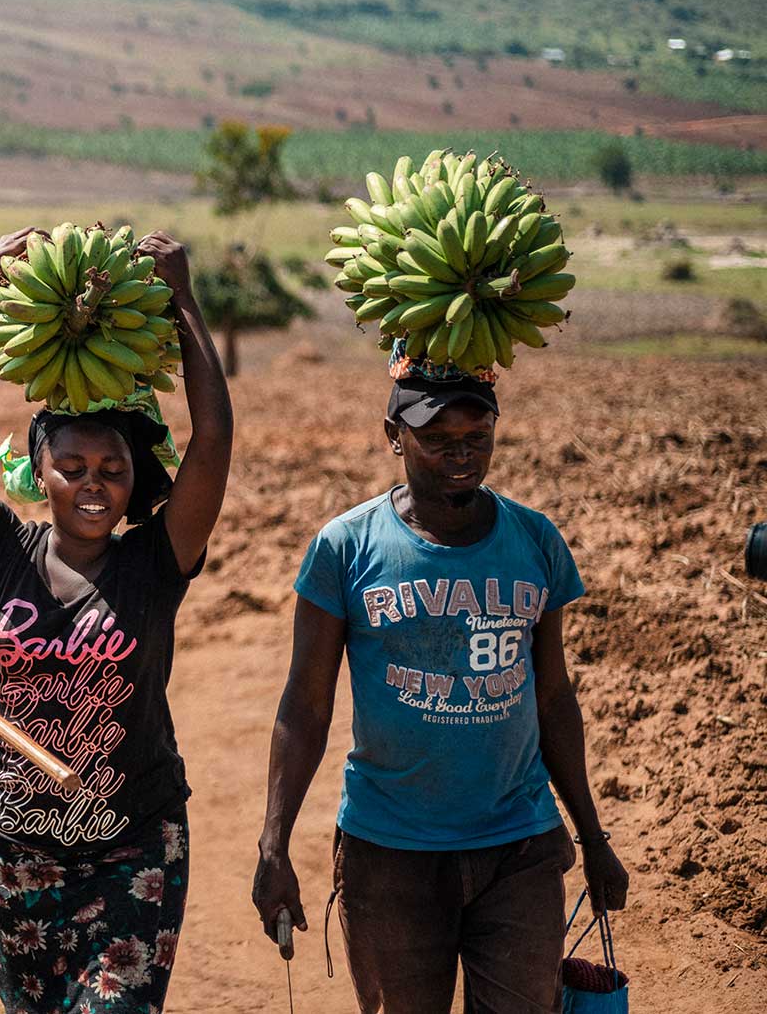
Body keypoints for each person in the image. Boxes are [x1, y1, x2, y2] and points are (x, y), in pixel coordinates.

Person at [251, 363, 631, 1013]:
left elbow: (554, 697)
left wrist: (593, 837)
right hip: (390, 851)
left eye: (477, 435)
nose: (461, 454)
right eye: (437, 437)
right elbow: (306, 706)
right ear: (393, 435)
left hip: (518, 842)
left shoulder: (535, 541)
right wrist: (273, 843)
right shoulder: (344, 549)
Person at [0, 228, 233, 1012]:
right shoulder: (1, 552)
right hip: (16, 849)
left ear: (136, 480)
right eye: (73, 467)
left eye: (112, 469)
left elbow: (215, 440)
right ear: (42, 471)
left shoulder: (154, 563)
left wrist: (187, 300)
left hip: (134, 847)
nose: (92, 485)